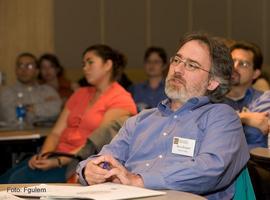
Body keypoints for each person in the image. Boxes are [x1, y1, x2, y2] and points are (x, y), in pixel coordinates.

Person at [76, 33, 249, 199]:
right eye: (177, 60)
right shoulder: (141, 120)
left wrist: (139, 180)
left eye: (192, 65)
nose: (178, 69)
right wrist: (89, 170)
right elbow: (107, 157)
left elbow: (210, 169)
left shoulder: (220, 117)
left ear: (212, 82)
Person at [0, 44, 137, 183]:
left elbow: (98, 144)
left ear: (108, 64)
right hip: (56, 156)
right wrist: (44, 156)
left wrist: (58, 161)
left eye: (90, 63)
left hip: (80, 163)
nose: (85, 68)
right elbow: (55, 133)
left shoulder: (120, 99)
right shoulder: (80, 93)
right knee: (5, 178)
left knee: (14, 182)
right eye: (83, 64)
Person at [223, 41, 269, 149]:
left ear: (255, 74)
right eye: (232, 61)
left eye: (243, 64)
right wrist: (245, 117)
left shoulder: (264, 98)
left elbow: (262, 126)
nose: (234, 67)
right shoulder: (212, 97)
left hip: (256, 164)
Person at [0, 52, 62, 125]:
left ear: (37, 71)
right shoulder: (7, 93)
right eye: (20, 65)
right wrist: (41, 108)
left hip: (45, 134)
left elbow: (57, 110)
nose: (24, 70)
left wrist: (28, 108)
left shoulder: (48, 90)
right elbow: (12, 117)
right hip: (17, 134)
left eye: (29, 66)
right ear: (16, 70)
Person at [129, 47, 167, 111]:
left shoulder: (170, 89)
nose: (151, 65)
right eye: (148, 61)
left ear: (164, 65)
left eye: (156, 62)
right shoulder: (135, 89)